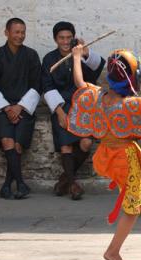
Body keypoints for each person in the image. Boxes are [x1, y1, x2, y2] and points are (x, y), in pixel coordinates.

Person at [67, 45, 141, 260]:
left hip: (105, 154)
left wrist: (77, 57)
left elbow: (80, 83)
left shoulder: (98, 96)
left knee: (132, 146)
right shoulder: (126, 105)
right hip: (122, 159)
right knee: (134, 206)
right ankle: (113, 251)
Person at [41, 21, 105, 200]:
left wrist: (86, 53)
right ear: (55, 39)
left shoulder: (79, 54)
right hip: (61, 106)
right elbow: (47, 86)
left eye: (69, 37)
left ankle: (65, 180)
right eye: (61, 38)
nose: (65, 41)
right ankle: (73, 185)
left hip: (82, 107)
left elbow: (97, 68)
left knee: (86, 143)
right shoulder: (49, 59)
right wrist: (60, 113)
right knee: (66, 145)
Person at [0, 17, 41, 200]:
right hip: (3, 109)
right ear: (7, 33)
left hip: (24, 108)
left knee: (17, 146)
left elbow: (36, 86)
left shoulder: (31, 56)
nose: (20, 36)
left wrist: (20, 107)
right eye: (16, 32)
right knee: (8, 142)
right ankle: (21, 183)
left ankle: (7, 185)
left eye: (23, 32)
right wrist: (8, 108)